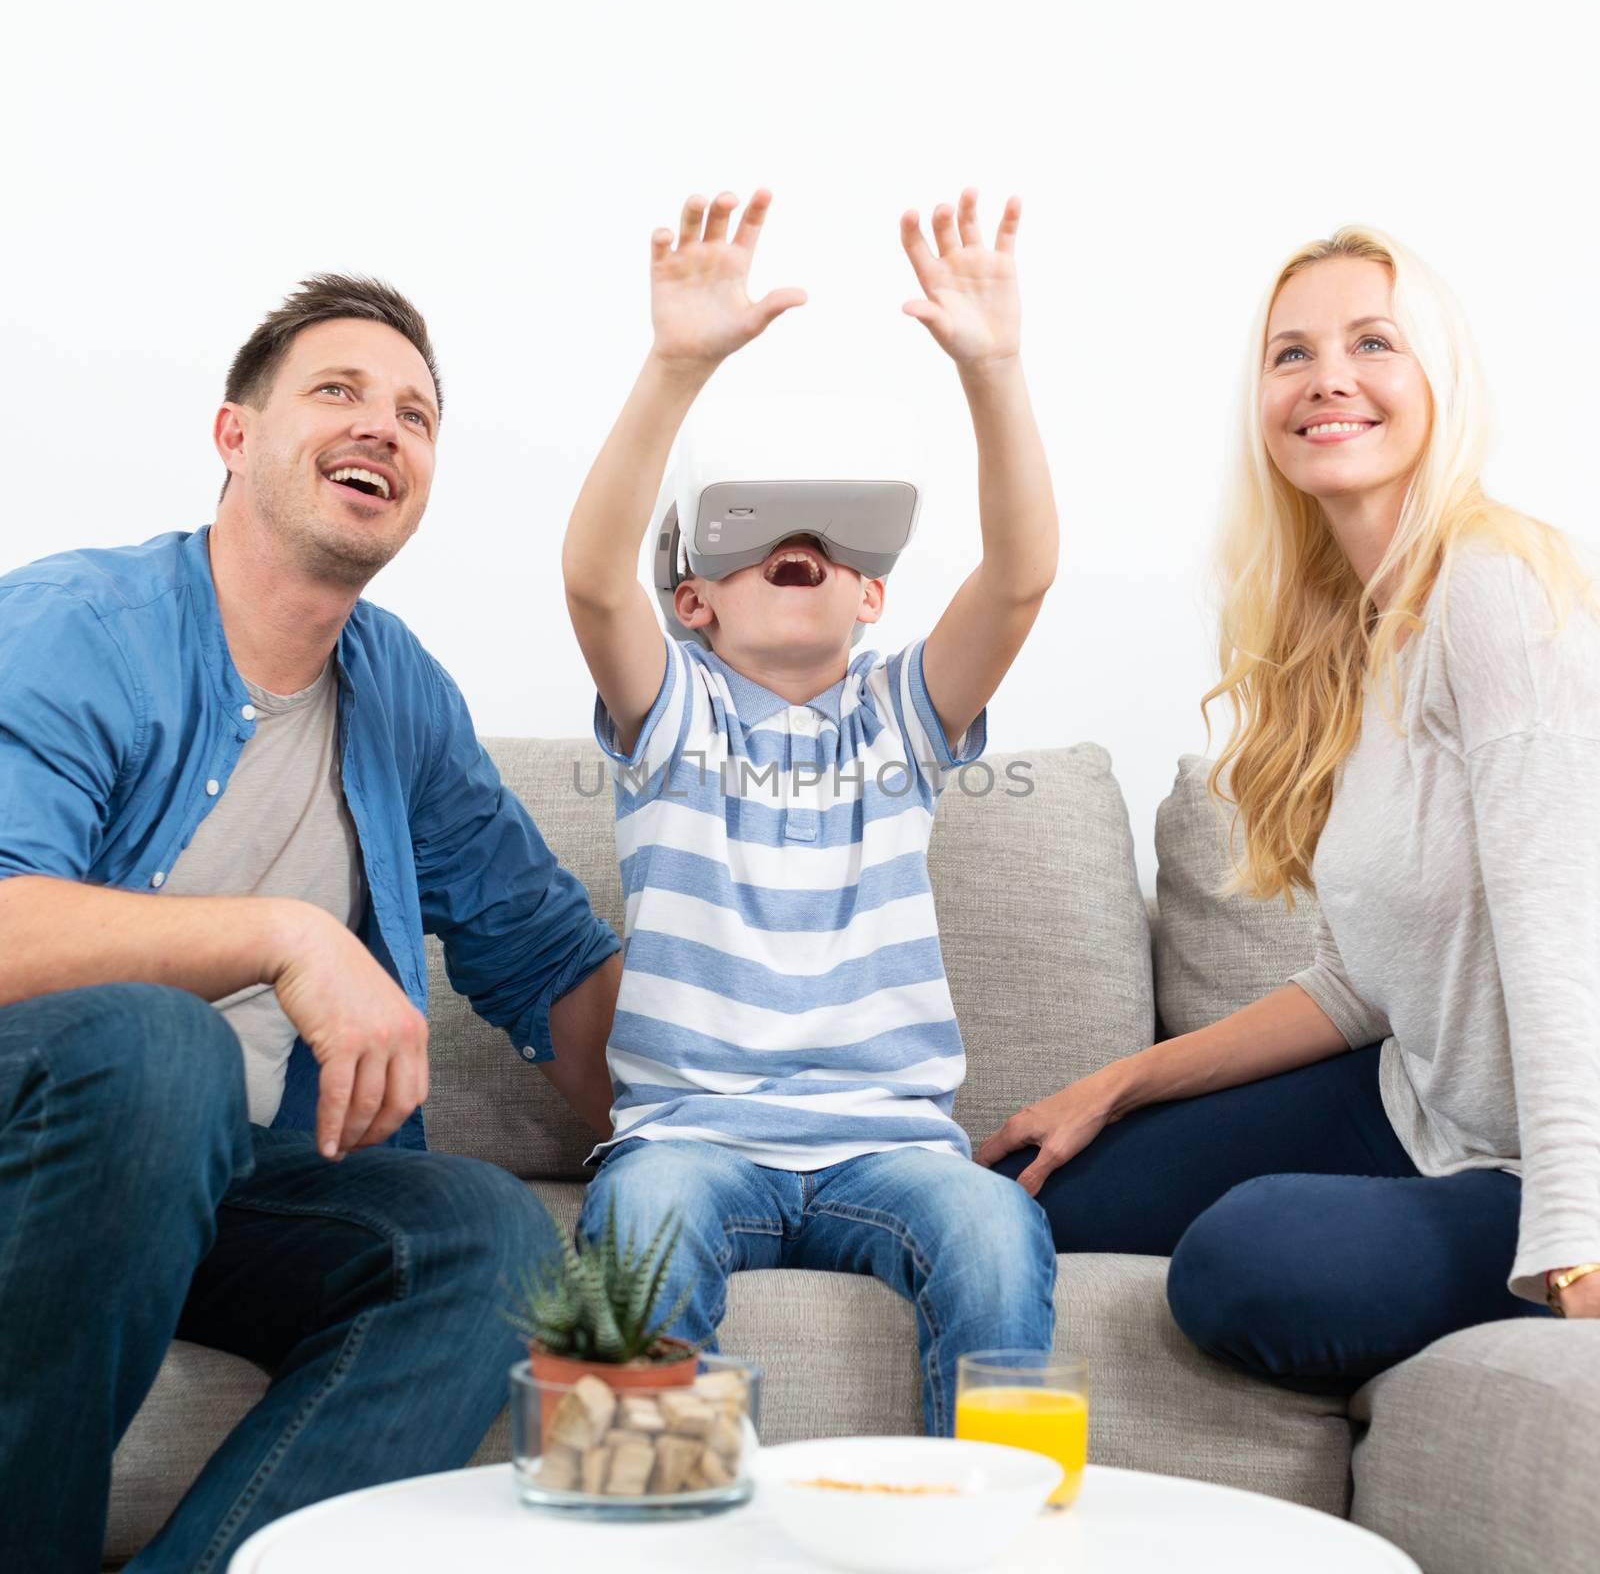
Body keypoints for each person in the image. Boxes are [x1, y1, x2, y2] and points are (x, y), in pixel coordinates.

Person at [0, 276, 623, 1572]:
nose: (382, 427)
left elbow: (552, 964)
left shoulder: (398, 693)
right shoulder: (76, 628)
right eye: (338, 391)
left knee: (490, 1233)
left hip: (225, 1177)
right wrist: (286, 934)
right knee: (160, 1052)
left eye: (416, 414)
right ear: (234, 435)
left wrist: (742, 1111)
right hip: (45, 1140)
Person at [981, 225, 1600, 1390]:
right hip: (1423, 1111)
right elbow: (1365, 981)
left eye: (1373, 342)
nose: (1327, 378)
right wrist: (1115, 1081)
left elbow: (1560, 945)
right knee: (1035, 1197)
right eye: (1291, 353)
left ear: (1440, 385)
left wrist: (1575, 1252)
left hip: (1556, 1157)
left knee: (1245, 1264)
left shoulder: (1495, 588)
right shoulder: (1356, 630)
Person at [561, 188, 1060, 1436]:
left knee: (997, 1229)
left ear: (874, 599)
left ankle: (987, 1532)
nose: (804, 541)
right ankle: (644, 1528)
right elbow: (587, 573)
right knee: (639, 1232)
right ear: (692, 603)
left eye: (837, 541)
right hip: (691, 1135)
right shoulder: (671, 714)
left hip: (888, 1142)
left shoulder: (902, 715)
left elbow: (1019, 576)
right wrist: (676, 367)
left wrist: (992, 369)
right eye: (760, 532)